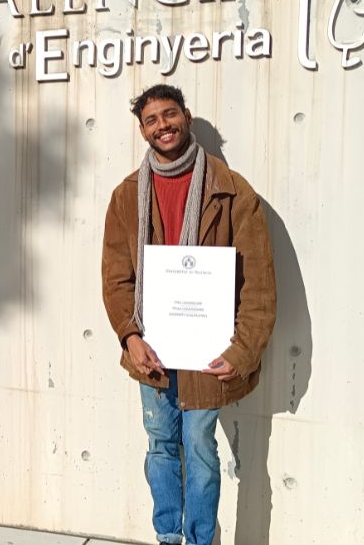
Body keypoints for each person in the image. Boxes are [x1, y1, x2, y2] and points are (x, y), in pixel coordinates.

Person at [101, 84, 276, 545]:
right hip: (152, 351)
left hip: (207, 354)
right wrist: (130, 337)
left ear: (187, 116)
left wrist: (242, 351)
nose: (162, 125)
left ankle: (199, 540)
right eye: (151, 120)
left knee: (199, 449)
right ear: (143, 131)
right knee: (160, 445)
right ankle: (167, 537)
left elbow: (259, 283)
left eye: (169, 114)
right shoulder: (127, 195)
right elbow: (116, 277)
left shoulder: (231, 190)